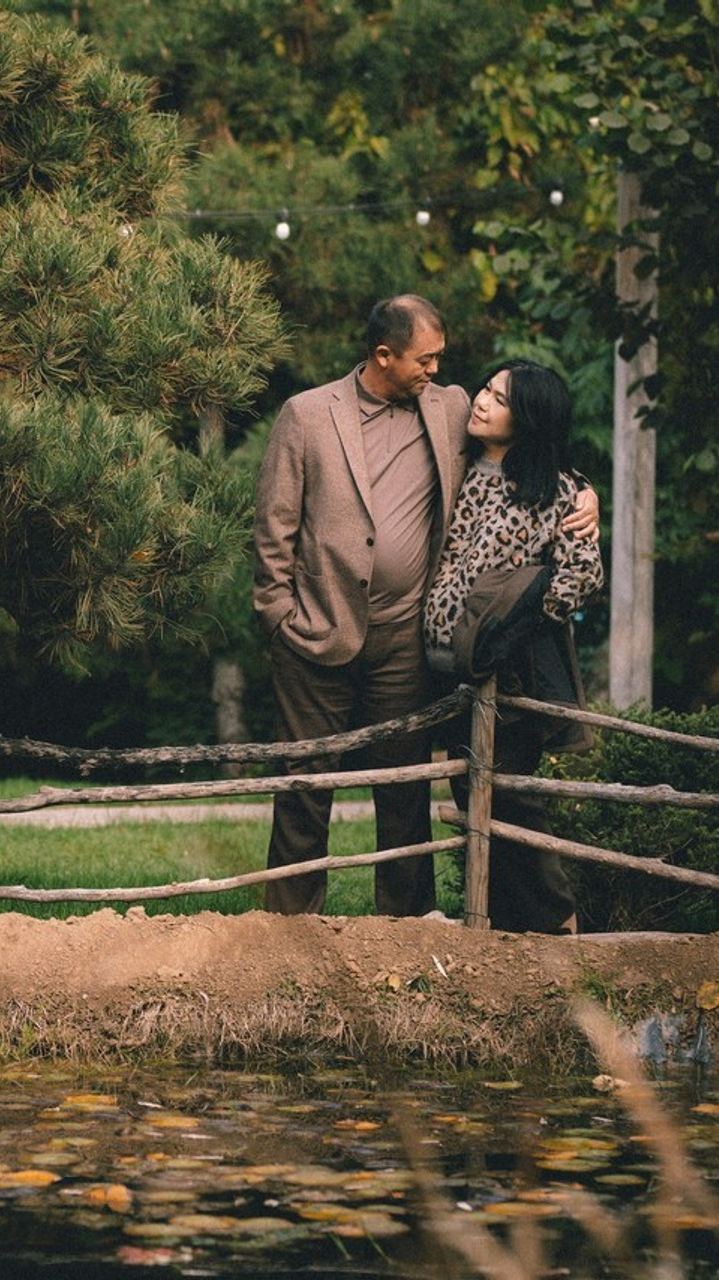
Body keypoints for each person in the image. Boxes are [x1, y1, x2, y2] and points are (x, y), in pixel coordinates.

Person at [252, 294, 599, 917]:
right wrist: (279, 617)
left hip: (405, 640)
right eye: (425, 358)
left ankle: (407, 924)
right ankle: (288, 929)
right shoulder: (305, 415)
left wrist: (587, 496)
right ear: (383, 355)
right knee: (303, 787)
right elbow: (273, 530)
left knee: (405, 788)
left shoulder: (452, 407)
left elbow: (532, 441)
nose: (437, 369)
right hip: (314, 633)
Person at [424, 360, 604, 934]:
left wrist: (521, 627)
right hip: (451, 670)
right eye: (485, 389)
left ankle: (560, 923)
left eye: (499, 398)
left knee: (511, 799)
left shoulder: (559, 491)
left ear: (527, 418)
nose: (481, 401)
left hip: (510, 673)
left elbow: (582, 573)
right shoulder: (463, 467)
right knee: (472, 795)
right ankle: (501, 929)